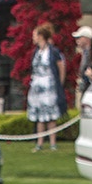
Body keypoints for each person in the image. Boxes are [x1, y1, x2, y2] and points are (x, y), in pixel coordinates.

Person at [24, 23, 63, 153]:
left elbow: (61, 67)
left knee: (50, 116)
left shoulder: (53, 51)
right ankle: (39, 143)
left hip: (49, 86)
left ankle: (53, 143)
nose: (33, 38)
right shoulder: (36, 52)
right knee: (39, 116)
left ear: (41, 36)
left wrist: (59, 84)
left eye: (35, 35)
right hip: (36, 86)